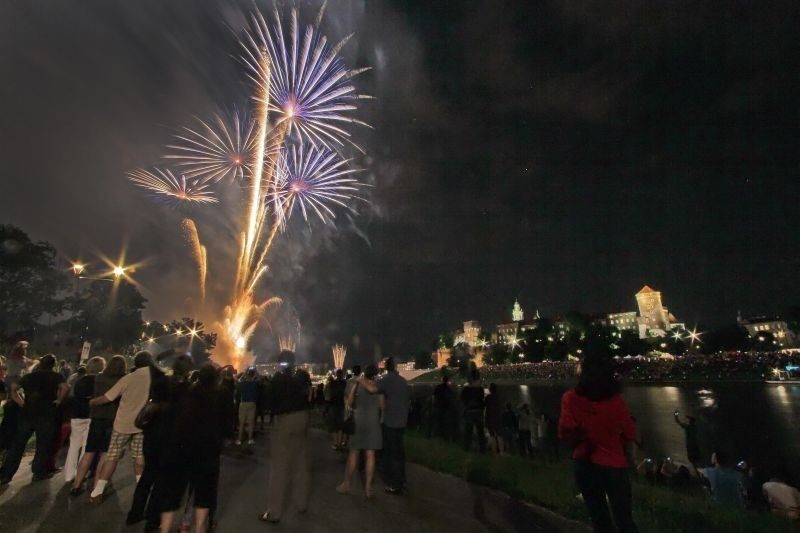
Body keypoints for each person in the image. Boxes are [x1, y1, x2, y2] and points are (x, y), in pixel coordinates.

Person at [559, 352, 638, 533]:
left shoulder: (570, 398)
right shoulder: (615, 400)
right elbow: (630, 433)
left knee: (599, 519)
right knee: (625, 520)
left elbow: (565, 432)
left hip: (585, 463)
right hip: (614, 464)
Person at [157, 364, 227, 533]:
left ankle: (164, 529)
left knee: (172, 493)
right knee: (203, 495)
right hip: (207, 452)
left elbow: (169, 419)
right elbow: (227, 426)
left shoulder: (184, 393)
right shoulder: (221, 396)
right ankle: (200, 528)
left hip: (180, 449)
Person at [88, 351, 157, 502]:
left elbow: (108, 397)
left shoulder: (128, 378)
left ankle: (97, 492)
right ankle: (141, 491)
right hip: (142, 426)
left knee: (112, 457)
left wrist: (92, 402)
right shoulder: (154, 379)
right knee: (139, 458)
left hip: (122, 424)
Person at [127, 355, 184, 530]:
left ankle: (135, 513)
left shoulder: (157, 396)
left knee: (147, 477)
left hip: (151, 440)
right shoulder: (181, 395)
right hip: (168, 442)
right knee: (161, 481)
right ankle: (153, 519)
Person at [259, 351, 312, 524]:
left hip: (285, 420)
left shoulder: (277, 380)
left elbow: (269, 403)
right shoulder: (301, 378)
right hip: (302, 418)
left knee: (279, 467)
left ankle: (274, 512)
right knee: (300, 462)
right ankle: (301, 503)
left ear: (280, 363)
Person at [0, 354, 68, 484]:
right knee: (43, 445)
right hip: (46, 414)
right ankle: (38, 472)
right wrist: (59, 400)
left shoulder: (29, 376)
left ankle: (6, 474)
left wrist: (21, 403)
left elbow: (13, 389)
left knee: (18, 445)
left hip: (27, 413)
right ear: (53, 365)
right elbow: (65, 387)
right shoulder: (56, 376)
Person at [71, 355, 127, 496]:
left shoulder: (99, 378)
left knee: (89, 452)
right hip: (112, 420)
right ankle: (96, 487)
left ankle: (76, 484)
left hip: (96, 418)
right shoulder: (122, 381)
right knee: (104, 454)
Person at [361, 357, 410, 495]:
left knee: (392, 453)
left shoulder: (387, 381)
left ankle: (394, 484)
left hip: (391, 422)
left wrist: (360, 380)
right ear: (396, 367)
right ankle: (402, 479)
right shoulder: (403, 382)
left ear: (386, 367)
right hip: (402, 421)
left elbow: (372, 389)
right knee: (400, 452)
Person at [337, 364, 384, 498]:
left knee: (354, 454)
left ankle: (346, 484)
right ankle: (368, 489)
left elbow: (350, 403)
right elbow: (382, 405)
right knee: (370, 455)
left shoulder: (357, 384)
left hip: (358, 423)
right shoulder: (378, 387)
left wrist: (357, 384)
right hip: (373, 423)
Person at [64, 356, 104, 483]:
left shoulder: (80, 380)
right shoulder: (100, 382)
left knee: (74, 445)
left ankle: (69, 474)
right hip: (91, 416)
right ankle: (82, 473)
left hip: (77, 415)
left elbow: (73, 396)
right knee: (87, 447)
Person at [460, 370, 486, 453]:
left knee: (468, 431)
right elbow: (482, 399)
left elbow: (462, 399)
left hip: (469, 411)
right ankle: (482, 449)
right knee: (480, 431)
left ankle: (466, 448)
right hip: (478, 411)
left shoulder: (466, 389)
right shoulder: (480, 389)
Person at [236, 367, 259, 446]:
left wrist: (245, 372)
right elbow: (259, 377)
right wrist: (255, 371)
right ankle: (250, 439)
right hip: (252, 403)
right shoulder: (254, 383)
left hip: (243, 403)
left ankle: (239, 440)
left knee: (241, 423)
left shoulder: (243, 383)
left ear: (247, 375)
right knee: (250, 423)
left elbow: (238, 380)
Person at [327, 369, 347, 451]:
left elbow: (328, 394)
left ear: (336, 374)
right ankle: (340, 443)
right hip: (342, 406)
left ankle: (335, 444)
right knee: (341, 425)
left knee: (333, 426)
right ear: (342, 375)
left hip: (333, 405)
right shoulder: (345, 383)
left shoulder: (332, 383)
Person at [432, 374, 455, 440]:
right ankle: (445, 436)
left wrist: (434, 404)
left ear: (442, 380)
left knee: (437, 422)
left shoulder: (438, 387)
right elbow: (451, 398)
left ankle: (436, 436)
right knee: (445, 423)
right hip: (446, 407)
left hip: (438, 406)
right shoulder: (449, 389)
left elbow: (434, 397)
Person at [484, 383, 503, 454]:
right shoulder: (499, 397)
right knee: (499, 435)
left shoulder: (488, 397)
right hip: (498, 417)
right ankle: (501, 451)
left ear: (490, 389)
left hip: (490, 417)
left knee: (492, 435)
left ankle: (494, 451)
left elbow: (484, 405)